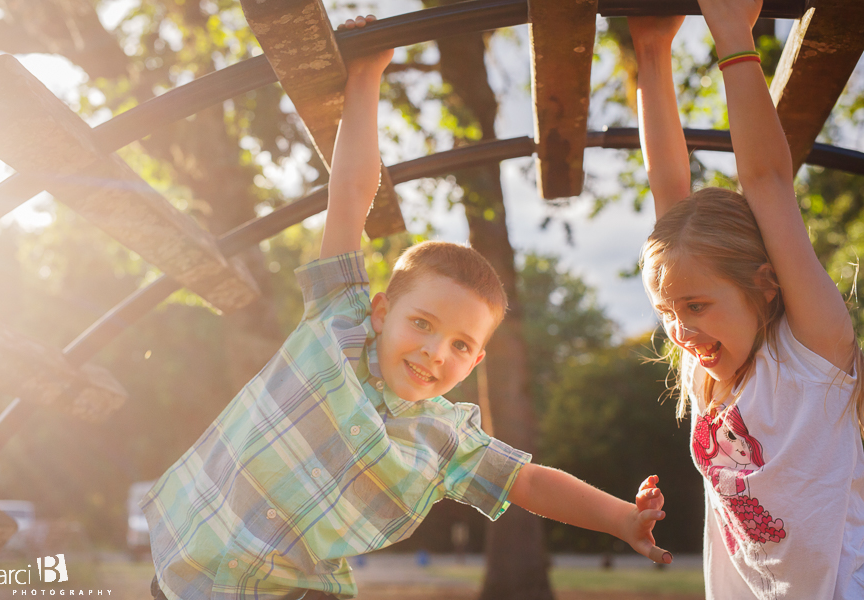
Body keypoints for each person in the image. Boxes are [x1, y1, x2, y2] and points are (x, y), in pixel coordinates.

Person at [143, 14, 671, 600]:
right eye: (421, 323)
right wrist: (367, 75)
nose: (433, 351)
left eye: (460, 346)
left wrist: (622, 518)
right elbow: (349, 195)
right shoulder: (336, 323)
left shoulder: (446, 441)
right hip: (190, 561)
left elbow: (529, 482)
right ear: (379, 312)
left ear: (474, 364)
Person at [630, 0, 864, 597]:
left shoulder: (809, 357)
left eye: (695, 306)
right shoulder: (711, 367)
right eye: (667, 311)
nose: (679, 331)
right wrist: (652, 53)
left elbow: (766, 182)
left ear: (764, 283)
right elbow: (669, 194)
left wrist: (732, 34)